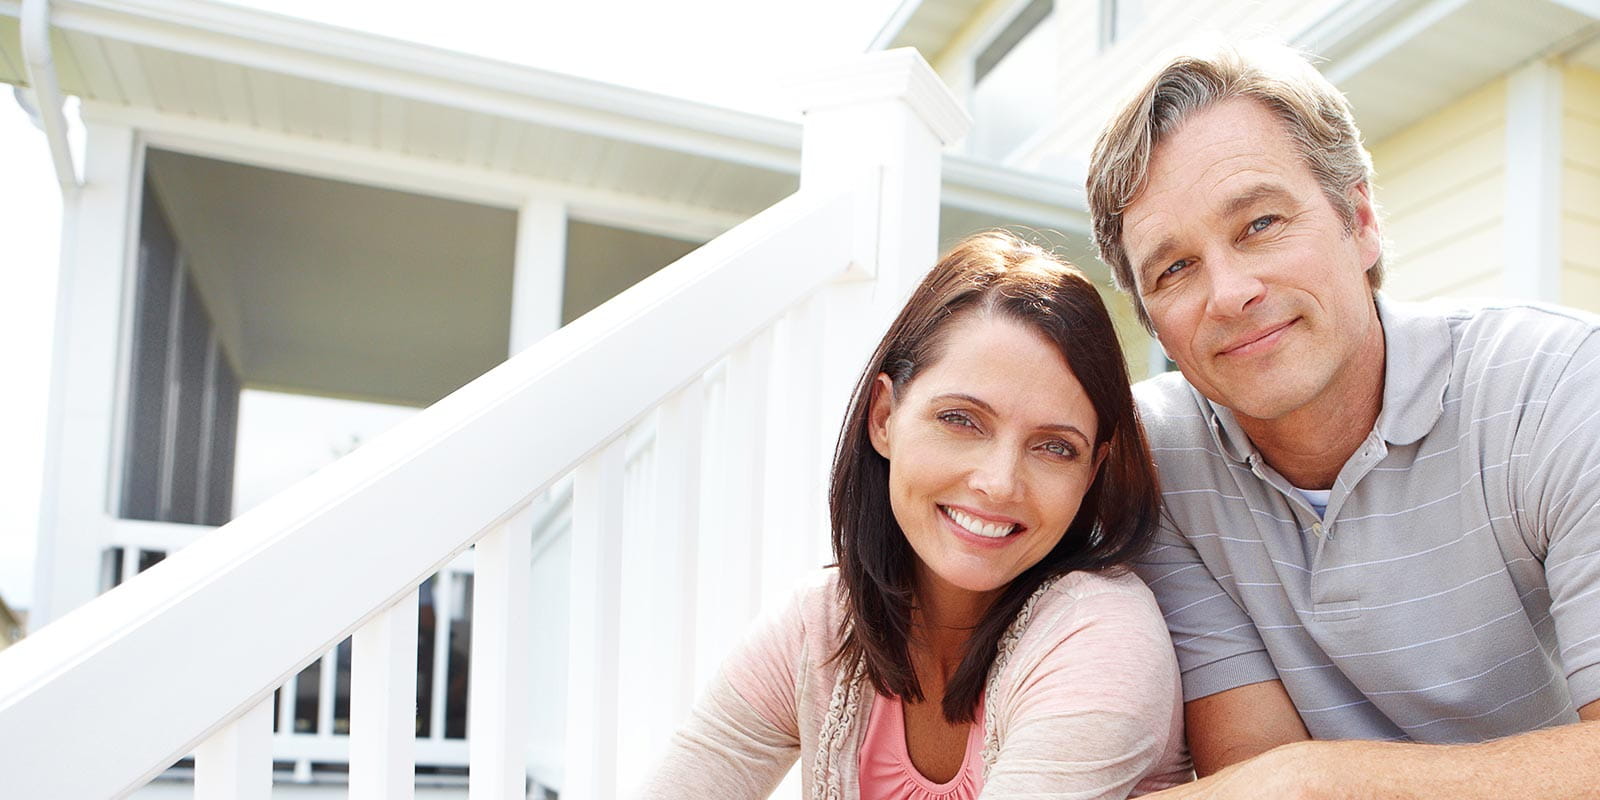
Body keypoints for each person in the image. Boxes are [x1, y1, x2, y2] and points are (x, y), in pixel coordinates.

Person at [1085, 41, 1600, 797]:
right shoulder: (1157, 459)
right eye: (1175, 268)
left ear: (1358, 221)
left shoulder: (1559, 387)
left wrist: (1320, 777)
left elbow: (1284, 786)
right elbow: (1254, 778)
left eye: (1260, 223)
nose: (1229, 293)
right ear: (1151, 319)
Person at [638, 231, 1191, 798]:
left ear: (1092, 472)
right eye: (961, 419)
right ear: (883, 417)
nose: (999, 482)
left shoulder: (1101, 636)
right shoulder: (822, 625)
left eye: (1055, 447)